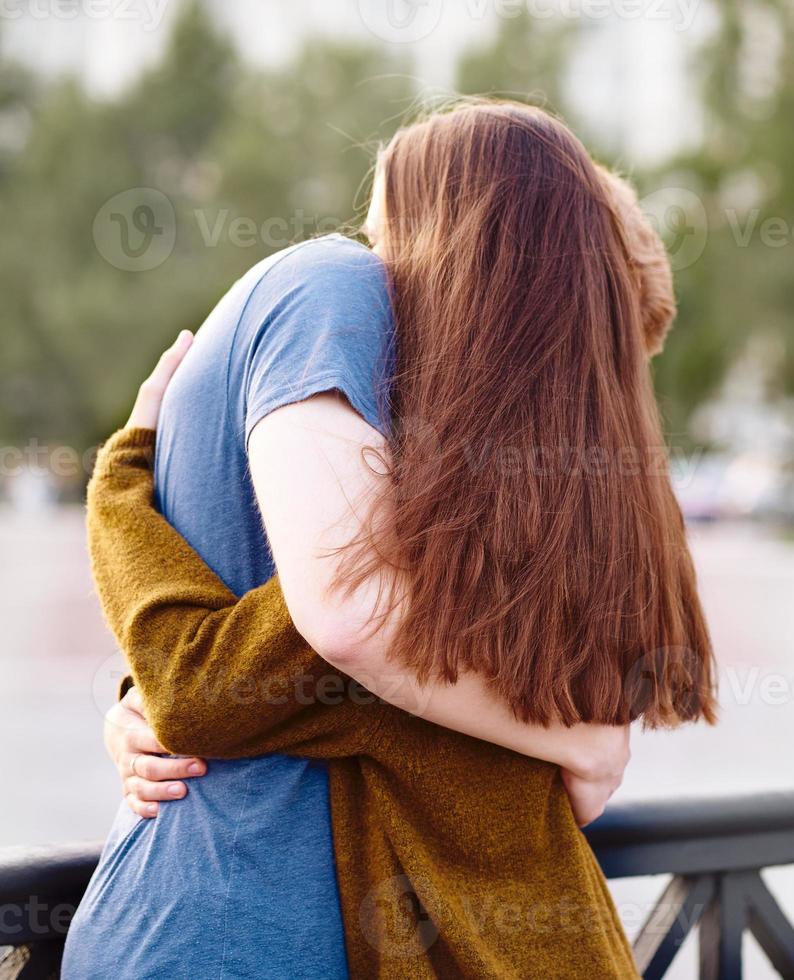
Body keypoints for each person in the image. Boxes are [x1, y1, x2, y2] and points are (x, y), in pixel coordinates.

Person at [66, 100, 715, 979]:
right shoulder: (332, 289)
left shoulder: (480, 496)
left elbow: (245, 670)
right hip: (228, 929)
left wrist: (154, 642)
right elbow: (322, 632)